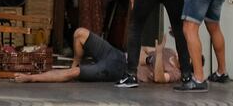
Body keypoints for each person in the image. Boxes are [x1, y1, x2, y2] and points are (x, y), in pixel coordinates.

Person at [116, 0, 192, 88]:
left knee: (135, 27)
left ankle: (130, 76)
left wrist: (133, 0)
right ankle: (187, 76)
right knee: (179, 30)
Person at [14, 28, 180, 84]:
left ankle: (32, 78)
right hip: (118, 55)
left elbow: (158, 78)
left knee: (74, 74)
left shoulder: (176, 73)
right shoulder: (170, 52)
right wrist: (149, 56)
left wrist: (156, 56)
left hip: (118, 70)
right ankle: (75, 62)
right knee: (79, 33)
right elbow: (142, 49)